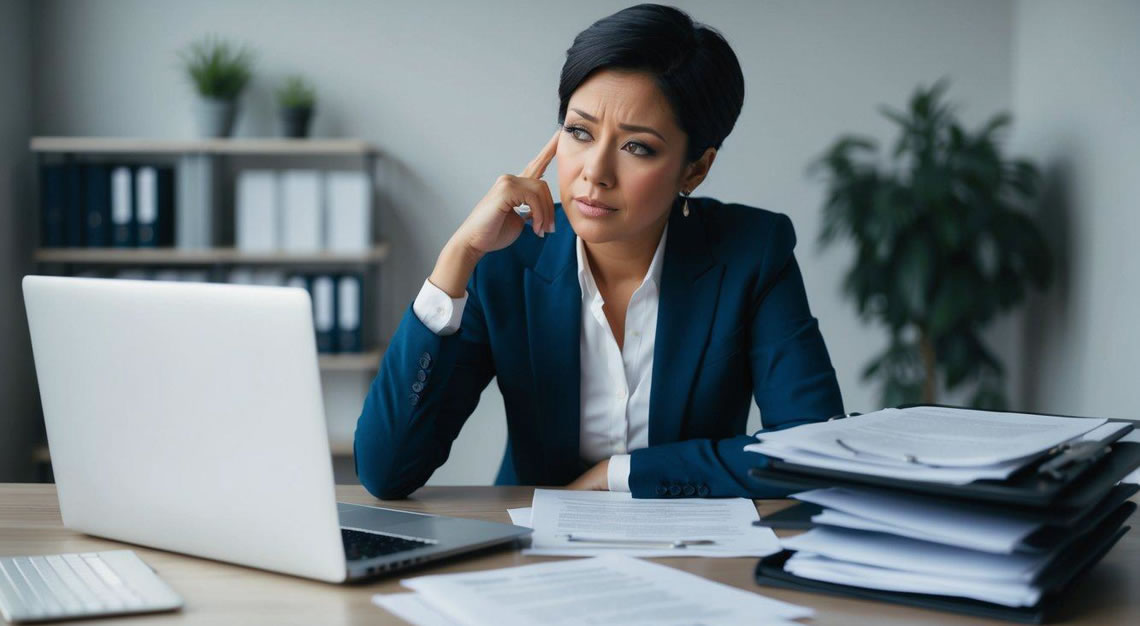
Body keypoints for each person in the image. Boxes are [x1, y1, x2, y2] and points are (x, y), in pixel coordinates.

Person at [354, 4, 843, 500]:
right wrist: (455, 259)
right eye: (580, 132)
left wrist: (622, 475)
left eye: (637, 148)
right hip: (526, 549)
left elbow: (812, 452)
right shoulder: (504, 259)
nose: (595, 172)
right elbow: (385, 471)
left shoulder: (752, 253)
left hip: (694, 550)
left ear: (694, 170)